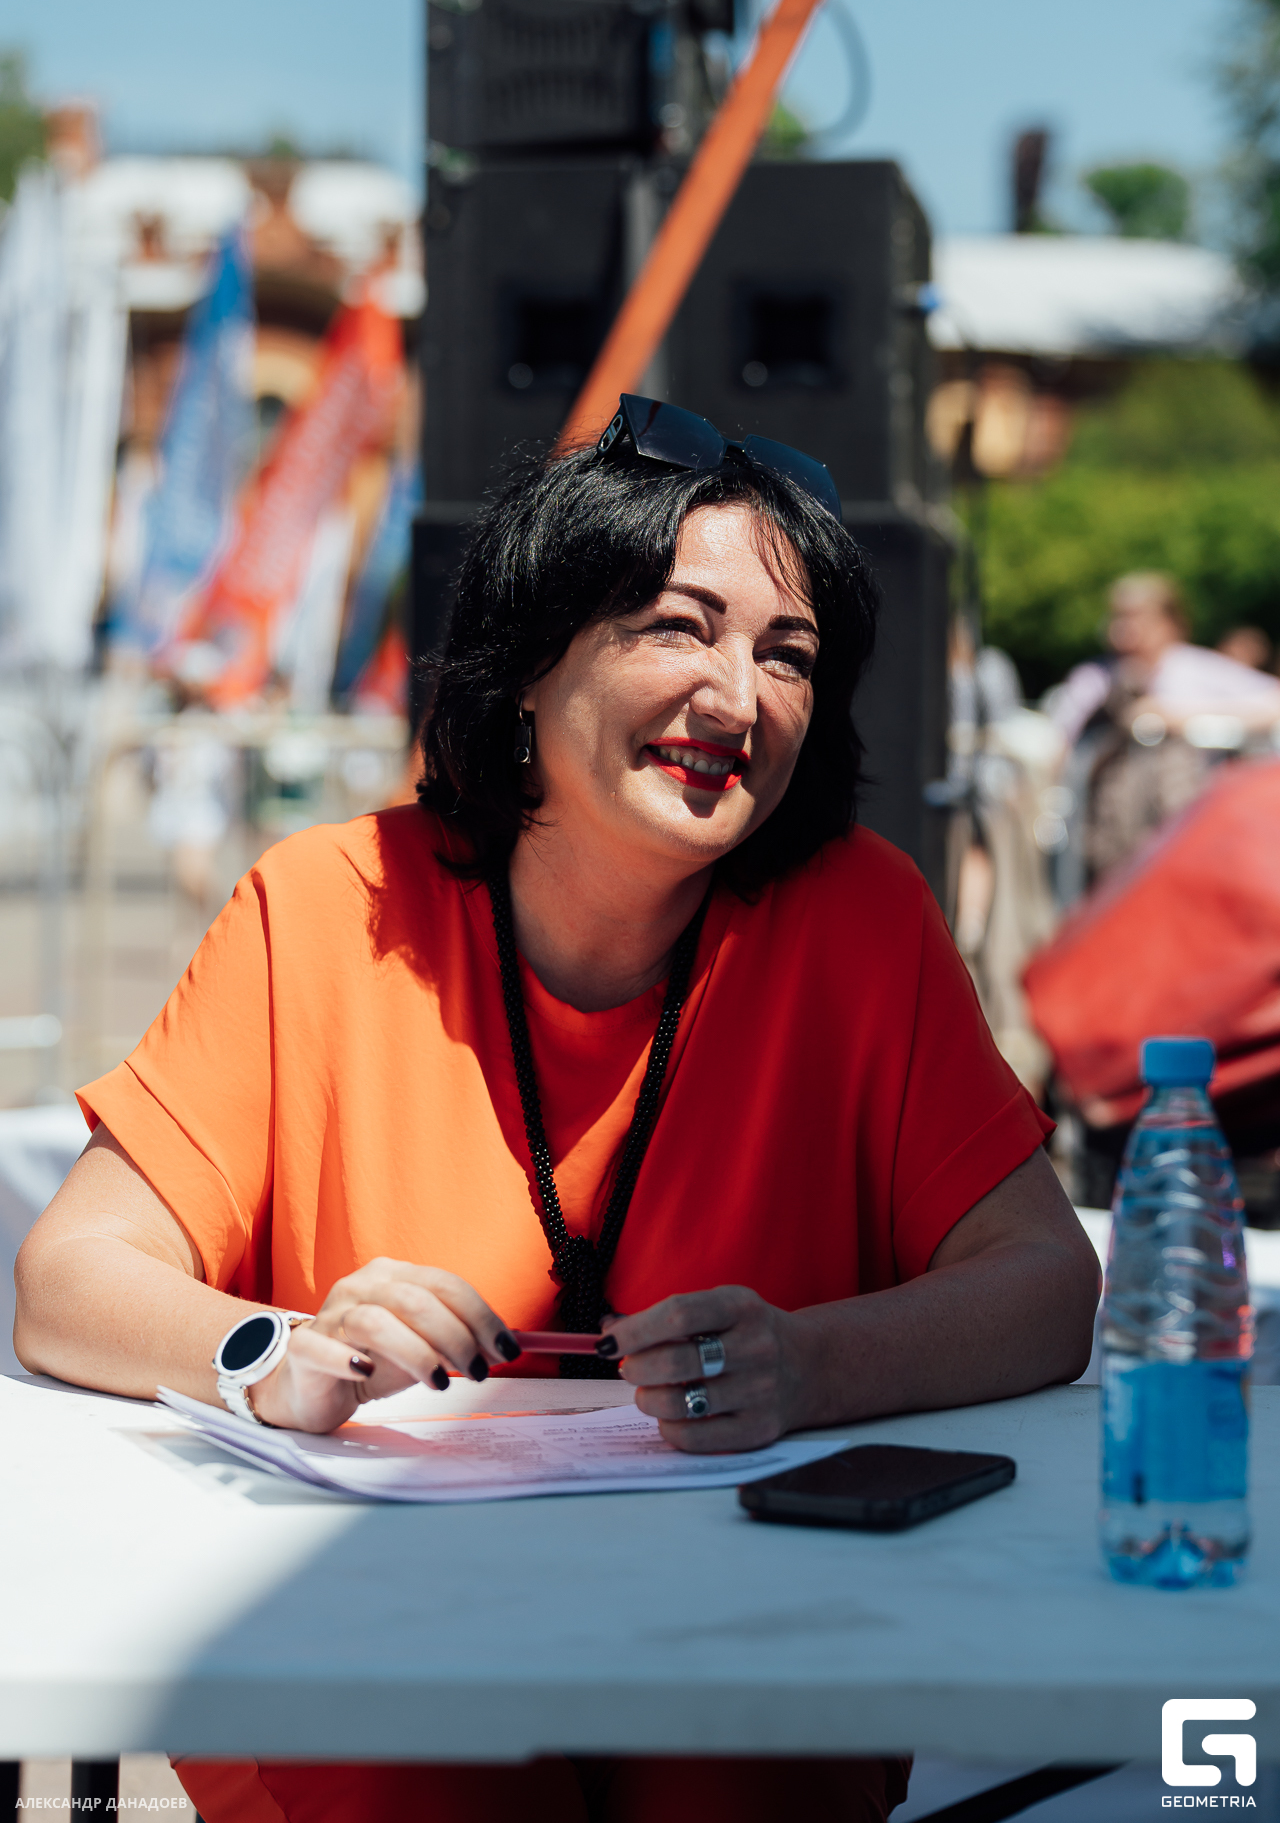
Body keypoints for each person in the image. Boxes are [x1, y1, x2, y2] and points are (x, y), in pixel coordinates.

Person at [15, 396, 1099, 1823]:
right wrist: (272, 1353)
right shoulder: (324, 905)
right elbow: (68, 1277)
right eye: (677, 629)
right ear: (530, 664)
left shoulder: (861, 921)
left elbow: (1046, 1284)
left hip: (753, 1669)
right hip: (380, 1684)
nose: (738, 700)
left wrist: (811, 1366)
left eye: (787, 656)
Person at [1049, 573, 1280, 883]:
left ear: (1169, 622)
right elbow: (1060, 741)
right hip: (1112, 833)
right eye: (1118, 617)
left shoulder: (1196, 668)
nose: (1123, 629)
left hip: (1193, 820)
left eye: (1136, 618)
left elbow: (1274, 702)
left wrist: (1178, 718)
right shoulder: (1096, 678)